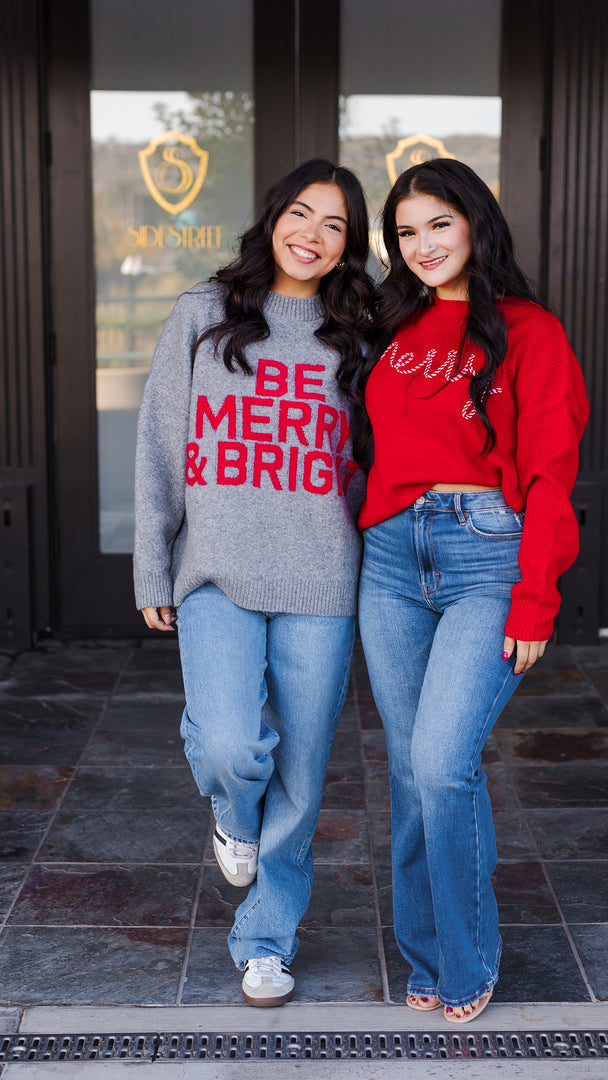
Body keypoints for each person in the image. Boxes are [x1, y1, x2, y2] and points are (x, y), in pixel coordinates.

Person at [133, 159, 373, 1007]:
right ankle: (233, 817)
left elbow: (376, 466)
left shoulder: (359, 333)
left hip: (324, 578)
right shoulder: (204, 312)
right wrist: (151, 563)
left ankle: (266, 939)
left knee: (302, 777)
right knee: (233, 744)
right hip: (216, 573)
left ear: (350, 245)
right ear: (273, 219)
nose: (312, 234)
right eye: (301, 214)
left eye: (334, 224)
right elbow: (162, 447)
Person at [356, 159, 589, 1023]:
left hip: (489, 552)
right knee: (410, 774)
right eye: (406, 233)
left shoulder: (529, 331)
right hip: (388, 558)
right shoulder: (389, 321)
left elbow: (551, 471)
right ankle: (427, 957)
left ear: (476, 224)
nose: (421, 246)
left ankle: (467, 959)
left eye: (438, 226)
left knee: (442, 764)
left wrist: (536, 599)